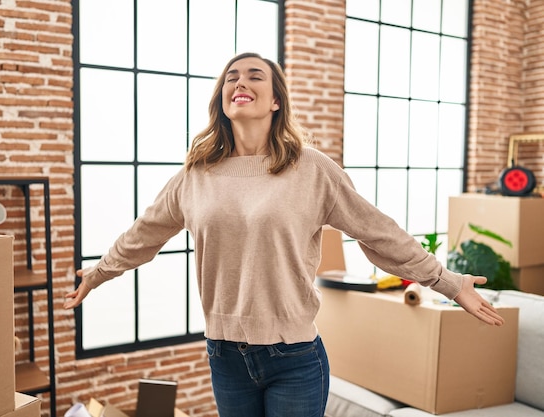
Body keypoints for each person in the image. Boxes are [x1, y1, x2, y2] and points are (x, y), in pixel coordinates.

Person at [64, 52, 505, 417]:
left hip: (294, 357)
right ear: (222, 99)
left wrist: (449, 283)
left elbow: (379, 232)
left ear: (276, 101)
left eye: (255, 76)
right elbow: (144, 234)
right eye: (231, 77)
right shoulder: (195, 176)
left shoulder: (311, 169)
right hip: (224, 355)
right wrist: (100, 272)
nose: (241, 81)